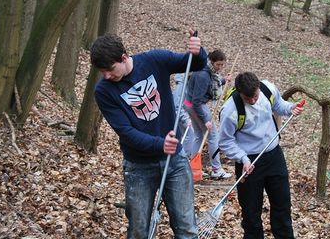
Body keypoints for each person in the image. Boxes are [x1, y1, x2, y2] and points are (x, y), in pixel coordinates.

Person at [91, 32, 207, 239]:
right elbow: (126, 132)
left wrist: (198, 52)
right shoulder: (104, 91)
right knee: (138, 231)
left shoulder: (154, 60)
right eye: (102, 72)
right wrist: (159, 144)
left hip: (175, 162)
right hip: (139, 167)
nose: (107, 76)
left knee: (186, 227)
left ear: (124, 57)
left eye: (109, 69)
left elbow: (192, 63)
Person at [218, 72, 303, 239]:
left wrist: (290, 108)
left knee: (282, 205)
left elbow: (278, 105)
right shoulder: (230, 110)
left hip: (274, 156)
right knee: (251, 213)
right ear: (239, 92)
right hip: (248, 163)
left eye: (255, 96)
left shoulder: (267, 89)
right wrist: (242, 158)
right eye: (248, 98)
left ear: (258, 88)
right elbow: (226, 142)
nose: (253, 100)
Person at [183, 49, 232, 179]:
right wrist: (205, 119)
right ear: (211, 61)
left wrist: (223, 80)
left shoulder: (207, 70)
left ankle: (194, 169)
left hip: (189, 104)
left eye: (222, 65)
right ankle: (216, 169)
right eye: (218, 65)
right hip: (195, 106)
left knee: (199, 135)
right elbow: (197, 101)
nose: (220, 67)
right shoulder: (202, 75)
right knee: (213, 136)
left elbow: (211, 84)